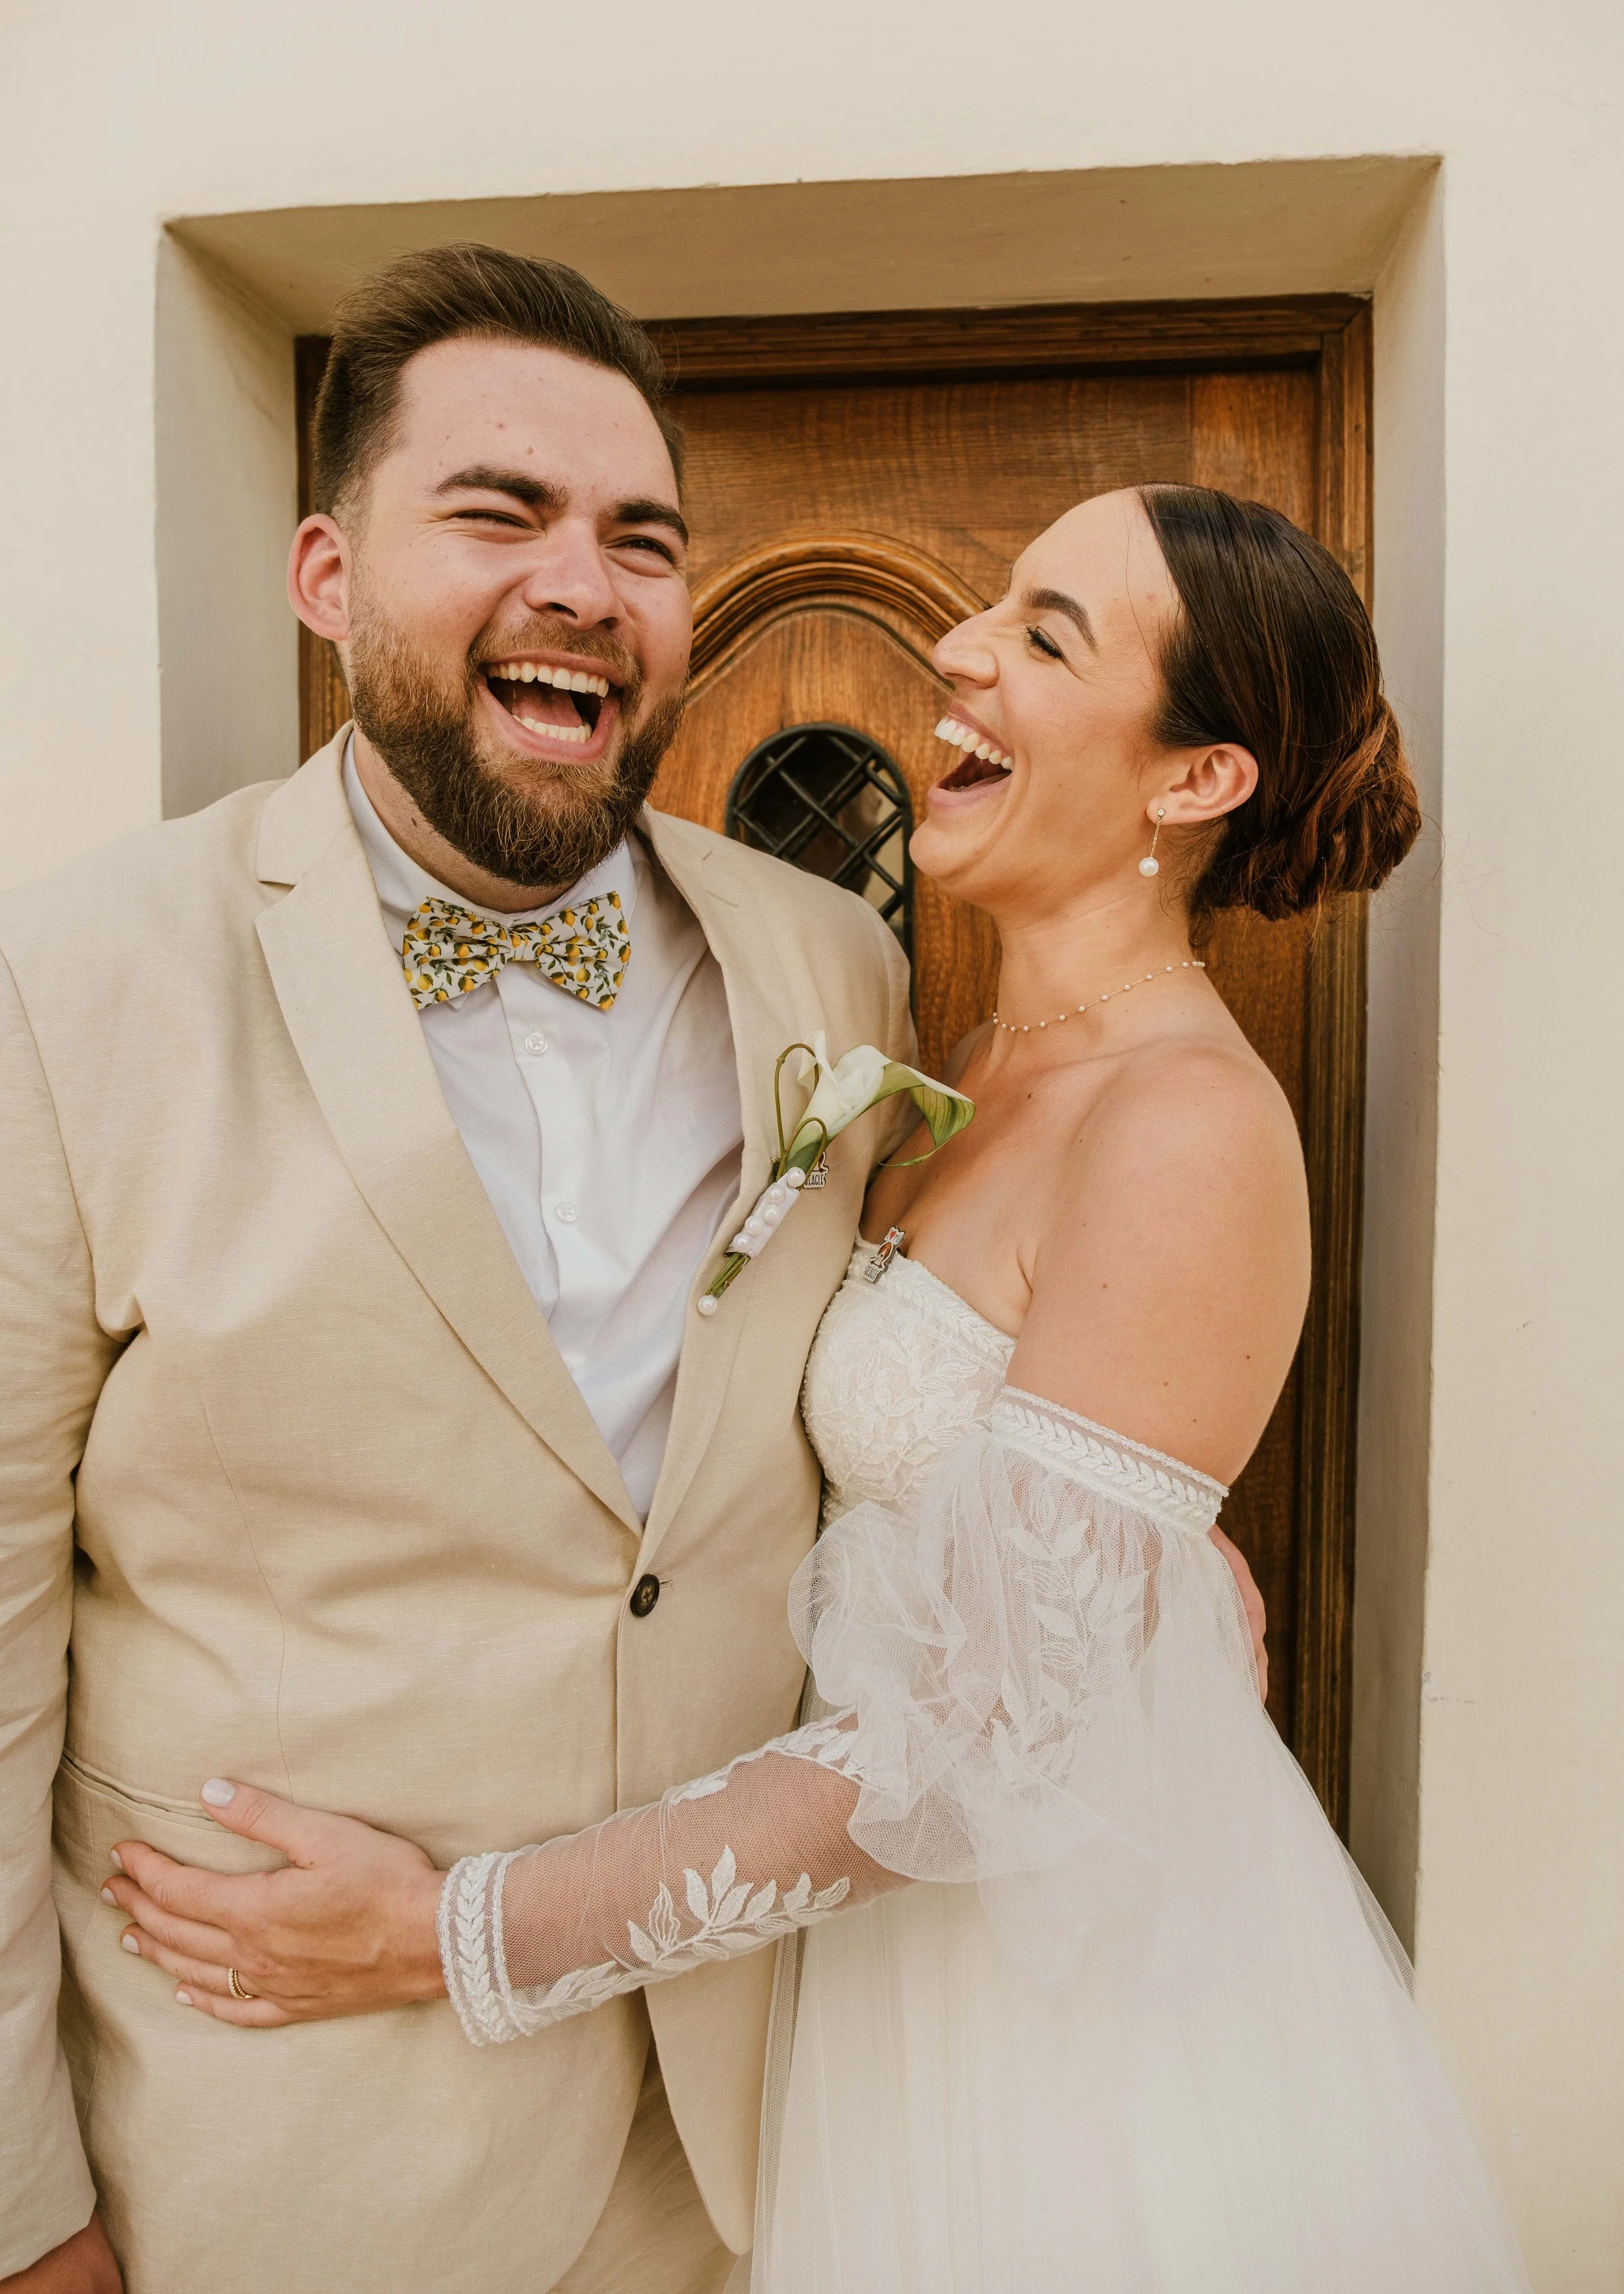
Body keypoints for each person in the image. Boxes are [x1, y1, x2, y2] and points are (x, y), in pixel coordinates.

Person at [102, 482, 1530, 2289]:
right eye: (993, 603)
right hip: (847, 1959)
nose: (958, 648)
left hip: (1045, 1998)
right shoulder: (945, 1053)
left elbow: (994, 1734)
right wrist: (1133, 1566)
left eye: (1045, 636)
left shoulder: (1188, 1122)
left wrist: (468, 1932)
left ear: (1196, 779)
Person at [0, 244, 941, 2294]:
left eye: (639, 538)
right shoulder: (70, 984)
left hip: (736, 2121)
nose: (581, 584)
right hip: (267, 2147)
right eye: (498, 514)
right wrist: (14, 2203)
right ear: (327, 573)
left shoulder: (829, 964)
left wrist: (1124, 1544)